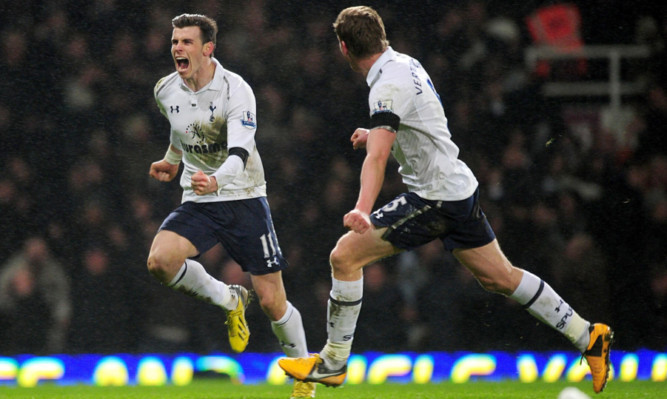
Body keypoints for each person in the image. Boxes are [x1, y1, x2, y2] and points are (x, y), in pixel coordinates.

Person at [278, 6, 613, 395]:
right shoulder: (405, 63)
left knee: (344, 256)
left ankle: (334, 361)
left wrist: (362, 207)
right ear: (381, 36)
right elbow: (420, 124)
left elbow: (380, 157)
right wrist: (375, 134)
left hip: (433, 195)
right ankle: (588, 335)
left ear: (343, 47)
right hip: (456, 187)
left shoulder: (385, 86)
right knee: (499, 277)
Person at [147, 14, 315, 398]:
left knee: (273, 302)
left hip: (243, 196)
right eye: (175, 41)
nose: (177, 48)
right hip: (199, 198)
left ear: (208, 49)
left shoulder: (236, 90)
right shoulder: (165, 90)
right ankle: (229, 298)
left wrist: (217, 180)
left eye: (187, 42)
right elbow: (181, 130)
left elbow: (240, 150)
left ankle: (305, 380)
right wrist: (172, 161)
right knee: (160, 261)